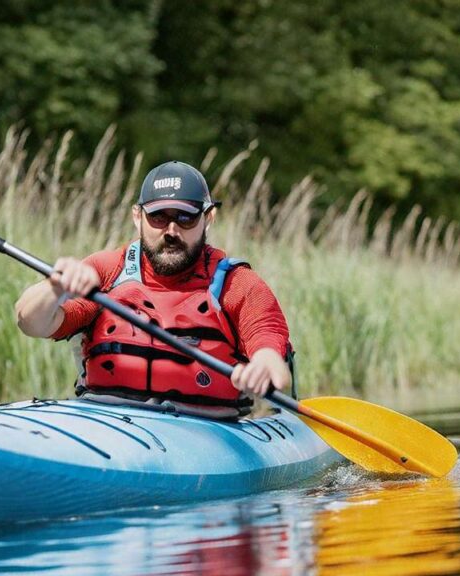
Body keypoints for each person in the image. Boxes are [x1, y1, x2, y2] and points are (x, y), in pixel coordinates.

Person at [15, 161, 293, 419]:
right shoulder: (106, 271)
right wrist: (54, 287)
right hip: (107, 421)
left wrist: (264, 369)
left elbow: (270, 353)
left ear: (208, 218)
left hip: (206, 430)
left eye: (186, 218)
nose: (171, 230)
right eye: (158, 217)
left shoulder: (237, 284)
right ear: (138, 217)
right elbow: (30, 322)